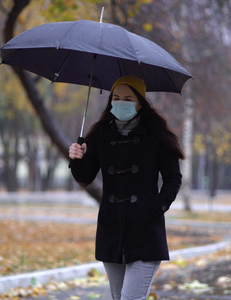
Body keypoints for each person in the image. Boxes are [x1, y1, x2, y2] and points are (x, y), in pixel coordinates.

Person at [68, 75, 185, 300]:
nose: (120, 102)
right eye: (116, 97)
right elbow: (85, 178)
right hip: (111, 231)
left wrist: (155, 209)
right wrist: (77, 159)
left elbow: (173, 179)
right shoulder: (100, 134)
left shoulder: (157, 136)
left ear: (140, 102)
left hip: (145, 232)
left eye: (128, 98)